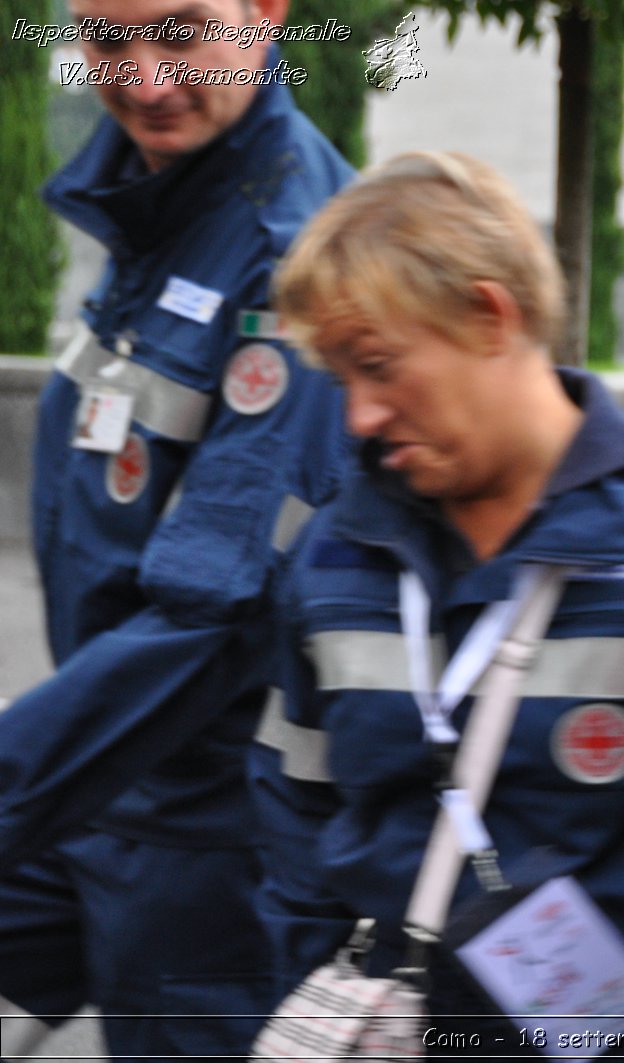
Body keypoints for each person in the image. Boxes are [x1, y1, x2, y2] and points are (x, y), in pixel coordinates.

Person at [251, 151, 624, 1046]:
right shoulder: (335, 555)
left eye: (379, 367)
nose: (359, 417)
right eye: (344, 381)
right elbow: (293, 817)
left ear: (490, 316)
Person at [0, 1, 352, 1056]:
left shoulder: (290, 257)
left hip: (208, 841)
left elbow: (213, 610)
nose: (145, 81)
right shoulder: (158, 203)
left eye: (181, 35)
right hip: (100, 783)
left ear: (267, 15)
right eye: (107, 41)